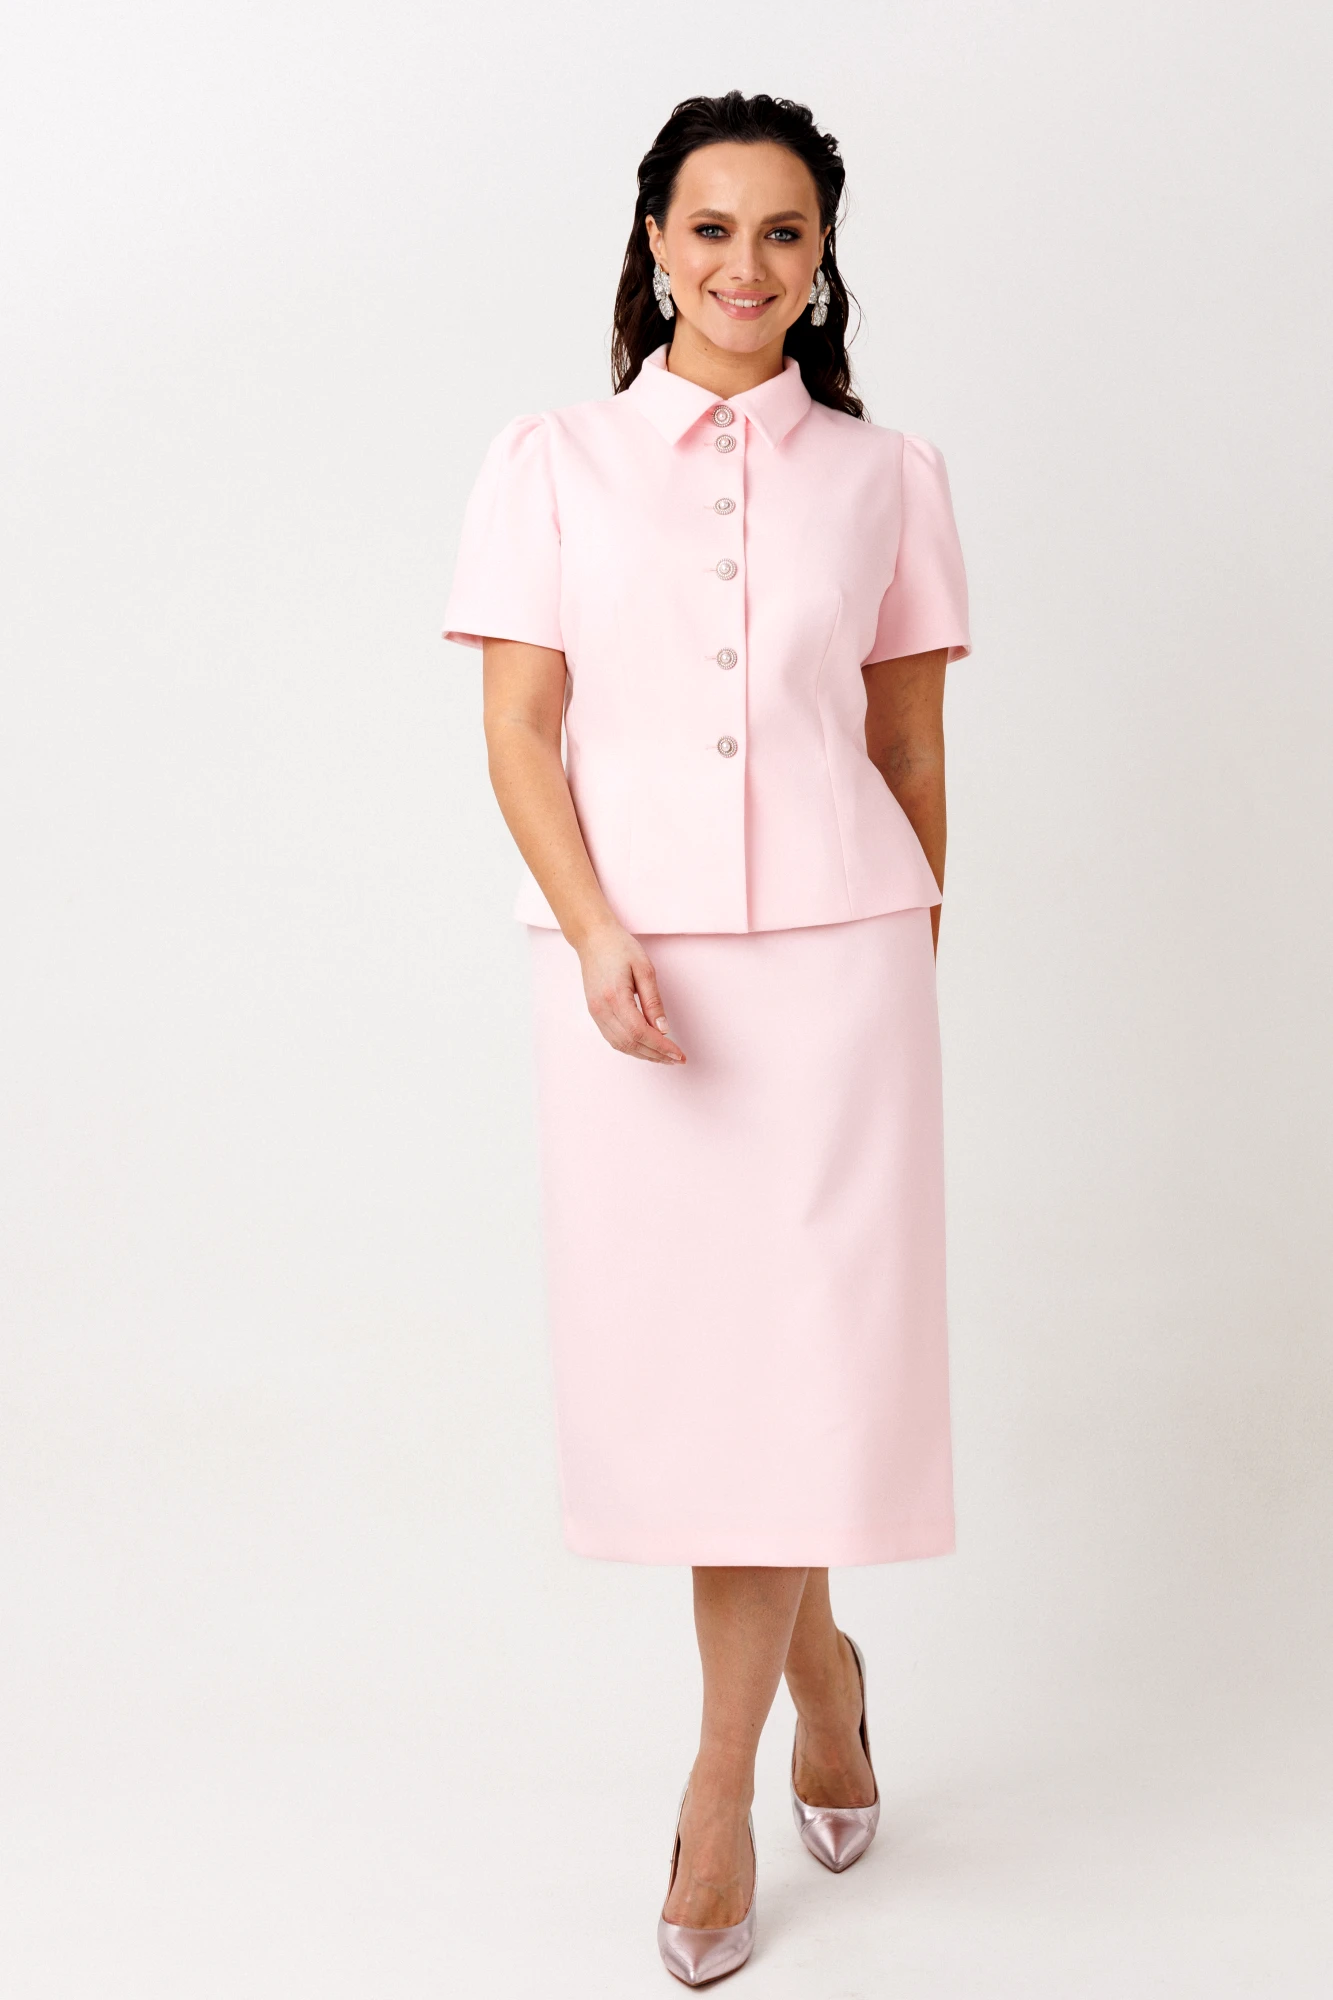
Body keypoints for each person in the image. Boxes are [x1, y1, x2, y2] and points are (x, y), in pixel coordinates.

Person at [443, 89, 971, 1987]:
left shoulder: (891, 475)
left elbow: (911, 753)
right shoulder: (552, 463)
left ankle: (717, 1780)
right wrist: (598, 929)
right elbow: (520, 731)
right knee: (708, 1386)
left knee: (805, 1374)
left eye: (784, 233)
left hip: (842, 981)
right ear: (655, 244)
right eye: (712, 228)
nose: (747, 265)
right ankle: (824, 1680)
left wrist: (909, 955)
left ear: (824, 261)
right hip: (635, 985)